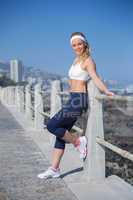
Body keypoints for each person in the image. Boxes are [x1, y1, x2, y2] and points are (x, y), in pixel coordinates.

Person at [37, 32, 115, 179]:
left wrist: (106, 91)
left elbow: (95, 77)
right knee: (61, 133)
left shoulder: (88, 61)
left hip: (78, 100)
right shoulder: (76, 60)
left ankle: (78, 141)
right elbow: (73, 78)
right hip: (73, 98)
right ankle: (54, 168)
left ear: (85, 44)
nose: (77, 47)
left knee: (51, 126)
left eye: (79, 44)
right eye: (74, 45)